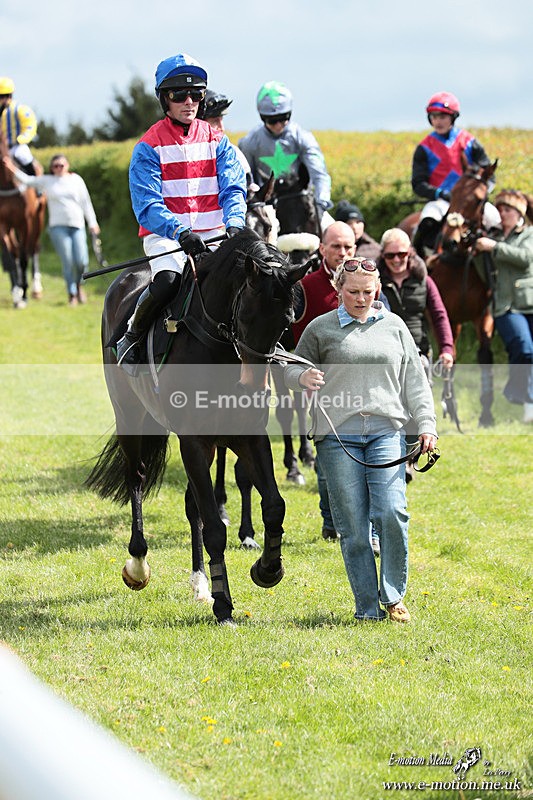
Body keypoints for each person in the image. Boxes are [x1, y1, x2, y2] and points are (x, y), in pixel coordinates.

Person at [285, 257, 438, 622]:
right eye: (352, 292)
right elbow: (290, 366)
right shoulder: (320, 328)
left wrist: (427, 424)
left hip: (386, 429)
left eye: (367, 292)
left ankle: (393, 595)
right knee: (353, 527)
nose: (360, 299)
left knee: (392, 512)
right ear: (338, 289)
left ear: (377, 290)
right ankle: (367, 609)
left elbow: (415, 380)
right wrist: (301, 378)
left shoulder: (394, 326)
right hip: (338, 435)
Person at [116, 54, 247, 371]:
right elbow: (148, 205)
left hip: (214, 234)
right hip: (167, 238)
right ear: (164, 99)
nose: (189, 102)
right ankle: (132, 337)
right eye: (179, 95)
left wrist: (234, 223)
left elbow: (233, 188)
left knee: (252, 284)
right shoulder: (148, 146)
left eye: (196, 94)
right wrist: (180, 233)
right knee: (168, 281)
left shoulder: (218, 141)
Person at [3, 152, 100, 305]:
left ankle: (79, 285)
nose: (59, 168)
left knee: (81, 260)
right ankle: (72, 293)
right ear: (52, 168)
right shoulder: (47, 181)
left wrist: (93, 223)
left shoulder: (76, 180)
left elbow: (86, 202)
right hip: (58, 227)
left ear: (67, 165)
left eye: (62, 165)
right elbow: (27, 180)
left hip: (77, 225)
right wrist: (11, 168)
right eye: (56, 166)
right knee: (67, 260)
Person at [411, 91, 500, 255]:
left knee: (495, 219)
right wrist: (440, 193)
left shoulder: (470, 142)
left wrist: (478, 195)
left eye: (442, 117)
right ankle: (422, 260)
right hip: (441, 201)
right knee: (427, 222)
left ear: (453, 117)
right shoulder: (424, 148)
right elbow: (418, 184)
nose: (438, 121)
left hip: (470, 202)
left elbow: (489, 175)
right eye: (434, 117)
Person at [475, 190, 533, 423]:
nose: (502, 213)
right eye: (500, 209)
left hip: (529, 302)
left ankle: (525, 400)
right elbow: (484, 272)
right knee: (524, 348)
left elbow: (526, 257)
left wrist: (494, 247)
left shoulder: (529, 233)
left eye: (507, 209)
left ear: (519, 213)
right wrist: (478, 251)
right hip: (505, 306)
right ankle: (524, 398)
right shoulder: (494, 237)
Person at [238, 81, 332, 222]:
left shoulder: (303, 137)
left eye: (283, 118)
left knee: (338, 231)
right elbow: (247, 180)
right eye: (272, 120)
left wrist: (321, 203)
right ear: (262, 117)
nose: (278, 125)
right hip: (267, 206)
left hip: (302, 201)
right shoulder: (249, 143)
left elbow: (319, 174)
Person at [377, 228, 454, 372]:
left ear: (410, 252)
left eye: (401, 254)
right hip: (386, 355)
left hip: (419, 351)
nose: (396, 260)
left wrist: (446, 349)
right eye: (390, 255)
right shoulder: (374, 283)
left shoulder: (424, 281)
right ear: (382, 255)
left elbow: (439, 315)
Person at [198, 89, 255, 190]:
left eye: (221, 120)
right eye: (215, 121)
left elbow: (250, 191)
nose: (222, 128)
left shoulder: (233, 153)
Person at [0, 77, 39, 175]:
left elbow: (30, 126)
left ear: (10, 95)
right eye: (1, 97)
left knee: (24, 157)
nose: (2, 99)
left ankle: (35, 182)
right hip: (2, 147)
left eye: (4, 96)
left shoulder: (20, 109)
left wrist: (22, 138)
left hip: (16, 146)